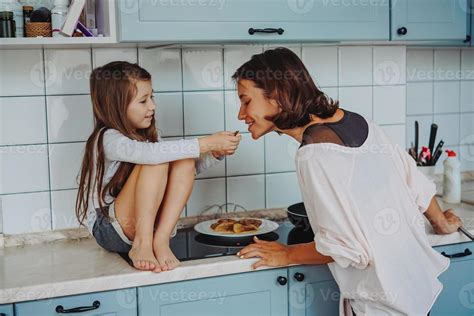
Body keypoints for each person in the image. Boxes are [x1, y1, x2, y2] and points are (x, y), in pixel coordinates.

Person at [233, 48, 462, 315]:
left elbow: (346, 247)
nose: (241, 114)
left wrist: (286, 254)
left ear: (276, 96)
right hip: (417, 293)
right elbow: (413, 181)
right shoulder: (357, 121)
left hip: (381, 305)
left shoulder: (313, 154)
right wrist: (441, 223)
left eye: (246, 101)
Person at [76, 61, 241, 272]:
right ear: (116, 105)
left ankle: (160, 240)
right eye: (143, 100)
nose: (152, 106)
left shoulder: (151, 138)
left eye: (152, 97)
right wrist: (206, 143)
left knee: (183, 159)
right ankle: (142, 244)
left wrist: (213, 154)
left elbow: (179, 173)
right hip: (110, 228)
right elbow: (152, 157)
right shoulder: (107, 138)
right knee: (159, 157)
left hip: (146, 225)